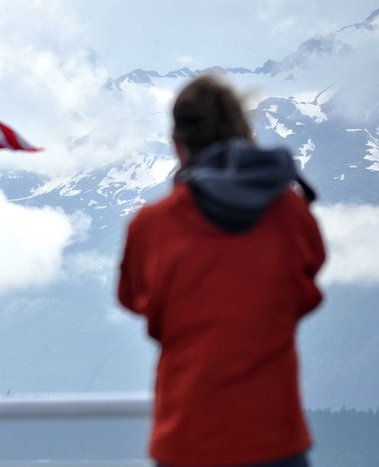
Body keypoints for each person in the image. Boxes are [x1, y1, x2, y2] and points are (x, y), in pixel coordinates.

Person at [118, 75, 326, 467]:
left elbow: (135, 299)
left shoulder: (151, 226)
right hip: (276, 438)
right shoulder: (290, 212)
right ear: (245, 135)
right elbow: (306, 289)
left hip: (187, 440)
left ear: (177, 146)